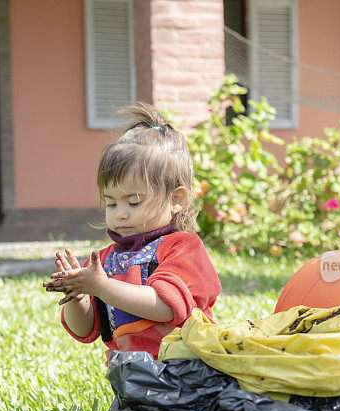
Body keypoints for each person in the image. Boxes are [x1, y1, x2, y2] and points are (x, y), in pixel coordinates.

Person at [42, 102, 222, 361]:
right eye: (111, 203)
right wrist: (78, 296)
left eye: (133, 202)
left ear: (176, 200)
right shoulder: (104, 262)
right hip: (133, 378)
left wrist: (102, 286)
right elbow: (84, 330)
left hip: (187, 373)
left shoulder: (182, 248)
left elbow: (164, 307)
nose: (120, 213)